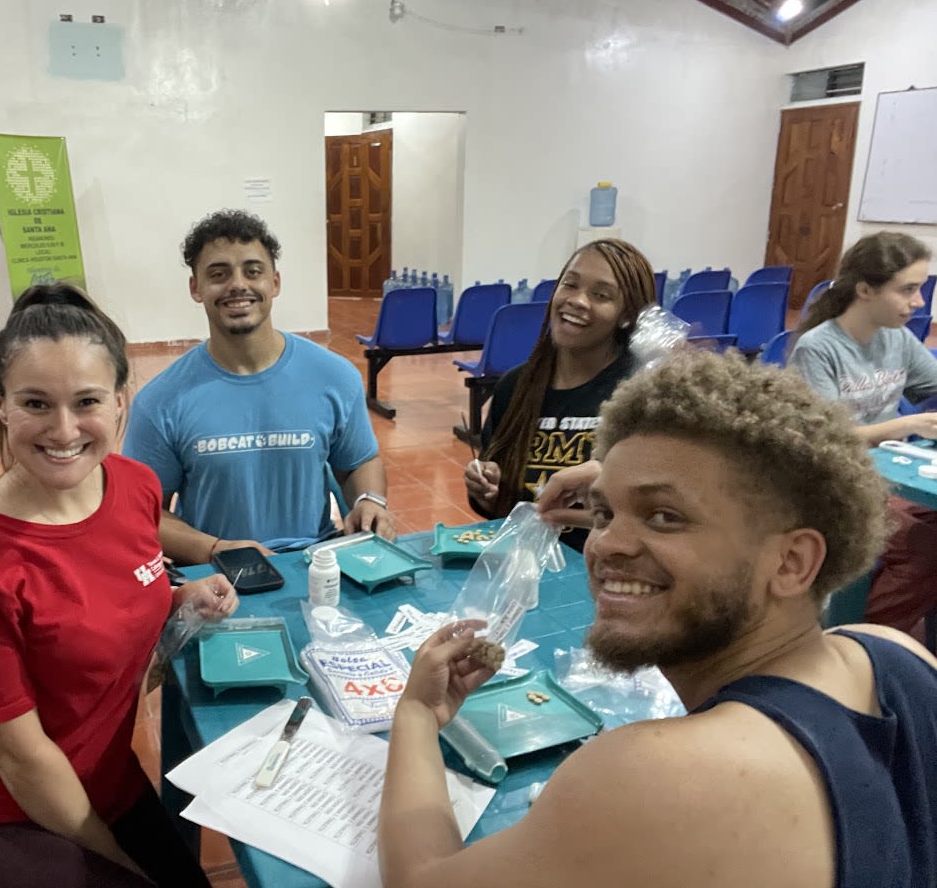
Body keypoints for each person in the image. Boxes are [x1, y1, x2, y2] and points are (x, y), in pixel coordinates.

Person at [380, 351, 937, 888]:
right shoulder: (896, 653)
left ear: (791, 562)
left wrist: (418, 713)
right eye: (605, 511)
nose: (605, 544)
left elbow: (420, 880)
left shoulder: (657, 777)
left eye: (665, 516)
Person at [0, 284, 236, 888]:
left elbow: (100, 600)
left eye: (87, 401)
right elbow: (20, 759)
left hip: (101, 781)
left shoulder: (134, 487)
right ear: (1, 405)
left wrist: (178, 599)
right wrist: (124, 870)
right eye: (36, 403)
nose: (63, 429)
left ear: (120, 402)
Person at [123, 210, 395, 562]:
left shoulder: (335, 376)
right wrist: (215, 549)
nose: (238, 284)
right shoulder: (160, 401)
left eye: (253, 271)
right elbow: (142, 512)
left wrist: (369, 500)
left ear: (275, 282)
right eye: (218, 274)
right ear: (196, 288)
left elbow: (359, 462)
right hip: (216, 576)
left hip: (315, 564)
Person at [789, 232, 937, 641]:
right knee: (925, 551)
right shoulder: (818, 348)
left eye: (920, 289)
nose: (919, 302)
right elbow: (825, 438)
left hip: (886, 479)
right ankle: (852, 641)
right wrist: (904, 425)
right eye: (907, 289)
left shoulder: (897, 338)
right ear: (865, 290)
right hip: (834, 485)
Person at [463, 238, 656, 549]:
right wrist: (486, 490)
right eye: (570, 284)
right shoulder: (516, 387)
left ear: (626, 316)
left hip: (609, 563)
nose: (577, 300)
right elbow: (498, 504)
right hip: (523, 561)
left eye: (601, 295)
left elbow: (662, 508)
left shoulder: (641, 393)